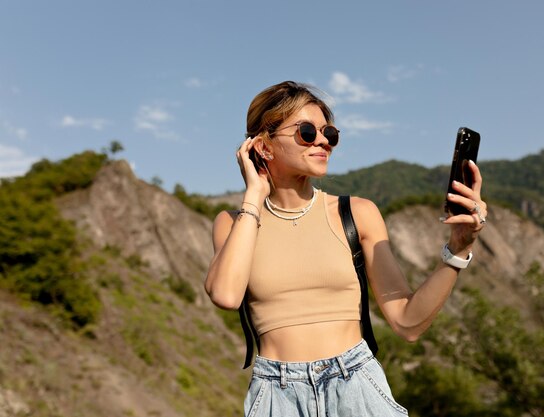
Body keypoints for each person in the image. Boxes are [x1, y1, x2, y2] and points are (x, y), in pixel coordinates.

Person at [205, 80, 487, 417]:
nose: (324, 140)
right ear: (263, 146)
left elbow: (407, 323)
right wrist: (253, 196)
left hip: (356, 386)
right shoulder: (234, 224)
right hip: (276, 396)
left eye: (330, 133)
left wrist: (457, 250)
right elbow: (225, 294)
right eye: (307, 132)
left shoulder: (357, 214)